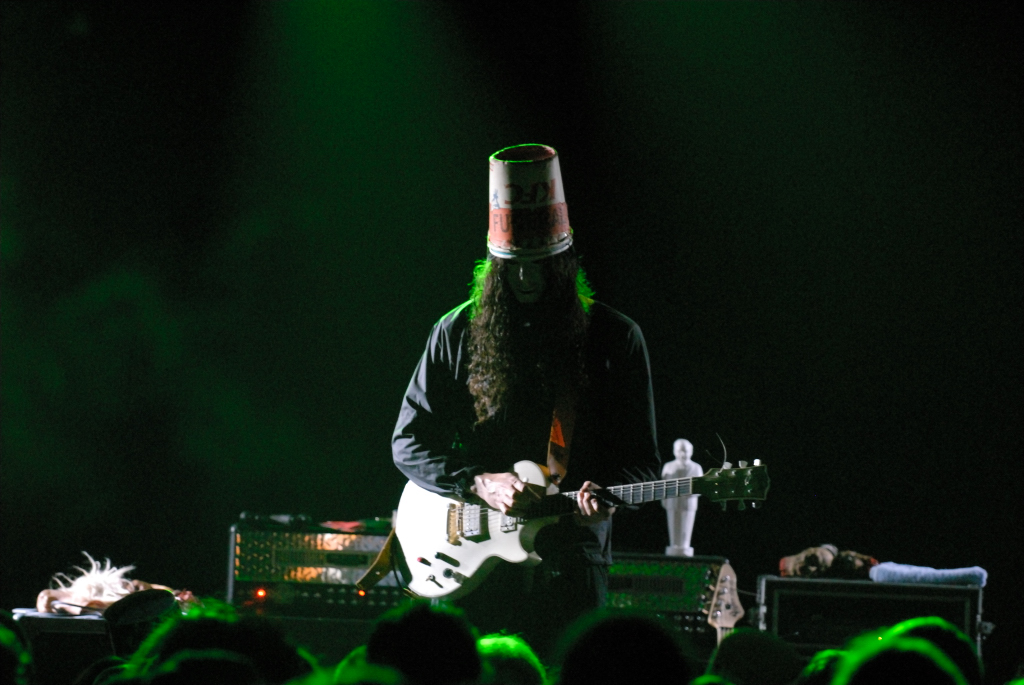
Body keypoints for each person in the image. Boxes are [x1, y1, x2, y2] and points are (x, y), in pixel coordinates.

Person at [391, 143, 661, 650]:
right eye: (510, 266)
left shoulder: (614, 337)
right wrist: (476, 481)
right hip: (468, 562)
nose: (524, 278)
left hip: (571, 563)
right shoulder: (455, 332)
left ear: (564, 262)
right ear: (492, 266)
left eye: (540, 265)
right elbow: (408, 442)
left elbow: (643, 462)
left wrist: (609, 498)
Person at [662, 438, 703, 556]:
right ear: (674, 451)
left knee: (686, 530)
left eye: (685, 451)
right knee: (673, 528)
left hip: (689, 503)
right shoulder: (668, 466)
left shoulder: (696, 467)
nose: (682, 454)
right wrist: (664, 500)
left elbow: (701, 487)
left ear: (691, 451)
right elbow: (663, 486)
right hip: (672, 502)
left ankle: (685, 547)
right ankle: (674, 545)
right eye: (679, 451)